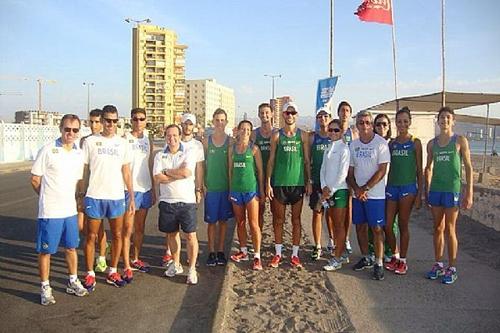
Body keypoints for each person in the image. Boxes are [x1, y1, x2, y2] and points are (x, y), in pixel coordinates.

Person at [31, 114, 88, 305]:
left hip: (70, 211)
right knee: (46, 251)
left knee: (71, 247)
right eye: (67, 129)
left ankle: (73, 280)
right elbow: (35, 179)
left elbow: (79, 182)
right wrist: (47, 196)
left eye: (75, 130)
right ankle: (45, 287)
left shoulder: (78, 153)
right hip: (50, 212)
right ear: (60, 129)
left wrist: (79, 207)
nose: (70, 133)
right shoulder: (48, 150)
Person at [82, 105, 135, 290]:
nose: (111, 124)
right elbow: (84, 170)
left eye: (114, 121)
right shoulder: (90, 141)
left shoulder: (122, 143)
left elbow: (126, 171)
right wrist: (80, 194)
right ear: (102, 121)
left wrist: (131, 195)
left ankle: (113, 270)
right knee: (91, 236)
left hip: (116, 196)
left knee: (117, 235)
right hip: (95, 195)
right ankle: (90, 273)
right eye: (107, 120)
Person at [425, 106, 473, 284]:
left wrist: (469, 192)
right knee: (438, 228)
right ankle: (438, 263)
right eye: (441, 118)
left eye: (447, 117)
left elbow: (468, 167)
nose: (444, 120)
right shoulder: (432, 143)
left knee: (450, 229)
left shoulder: (460, 140)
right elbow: (428, 168)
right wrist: (426, 190)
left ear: (453, 121)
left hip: (452, 190)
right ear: (437, 121)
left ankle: (452, 267)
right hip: (436, 190)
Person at [266, 102, 312, 268]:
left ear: (297, 115)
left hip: (297, 184)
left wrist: (309, 181)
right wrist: (268, 183)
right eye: (287, 113)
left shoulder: (303, 135)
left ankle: (294, 255)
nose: (290, 115)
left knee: (296, 220)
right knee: (278, 220)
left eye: (293, 112)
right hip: (279, 184)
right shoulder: (276, 136)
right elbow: (271, 161)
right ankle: (278, 254)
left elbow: (307, 161)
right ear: (283, 115)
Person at [347, 111, 390, 281]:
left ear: (371, 124)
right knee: (360, 227)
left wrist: (365, 188)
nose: (364, 126)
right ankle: (367, 257)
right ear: (357, 125)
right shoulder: (354, 145)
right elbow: (349, 172)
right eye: (361, 123)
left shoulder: (381, 144)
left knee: (377, 229)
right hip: (358, 194)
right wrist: (357, 189)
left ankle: (379, 263)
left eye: (367, 122)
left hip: (376, 195)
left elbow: (382, 170)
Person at [154, 124, 199, 285]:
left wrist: (167, 171)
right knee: (172, 235)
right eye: (168, 136)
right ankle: (176, 263)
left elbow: (187, 173)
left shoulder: (189, 151)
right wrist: (175, 173)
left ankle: (192, 269)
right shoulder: (160, 155)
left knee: (190, 235)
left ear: (180, 136)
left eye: (174, 135)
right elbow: (158, 177)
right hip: (167, 201)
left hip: (186, 201)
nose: (171, 139)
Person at [162, 113, 205, 266]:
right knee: (171, 229)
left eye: (190, 124)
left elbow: (198, 169)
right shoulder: (171, 142)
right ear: (181, 125)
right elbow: (164, 167)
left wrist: (198, 188)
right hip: (171, 191)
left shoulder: (197, 145)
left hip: (188, 192)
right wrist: (174, 174)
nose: (188, 126)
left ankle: (190, 259)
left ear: (194, 126)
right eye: (185, 124)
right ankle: (170, 253)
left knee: (189, 230)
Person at [384, 107, 423, 275]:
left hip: (408, 189)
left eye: (405, 121)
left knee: (403, 225)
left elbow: (419, 170)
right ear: (395, 123)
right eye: (399, 121)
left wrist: (420, 194)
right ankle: (395, 254)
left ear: (410, 122)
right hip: (392, 187)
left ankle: (403, 261)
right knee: (387, 225)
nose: (402, 124)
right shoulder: (391, 143)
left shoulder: (415, 142)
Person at [121, 108, 156, 283]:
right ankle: (126, 265)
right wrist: (129, 191)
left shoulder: (148, 139)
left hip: (146, 188)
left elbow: (150, 164)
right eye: (135, 119)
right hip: (130, 190)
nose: (138, 122)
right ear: (131, 120)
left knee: (140, 228)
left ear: (145, 120)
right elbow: (124, 167)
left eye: (141, 119)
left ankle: (135, 258)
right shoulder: (125, 139)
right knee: (127, 229)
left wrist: (154, 189)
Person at [229, 120, 265, 270]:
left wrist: (261, 190)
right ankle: (243, 251)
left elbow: (260, 172)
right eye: (243, 129)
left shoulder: (254, 149)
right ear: (238, 131)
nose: (245, 132)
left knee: (254, 224)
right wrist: (230, 190)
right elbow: (229, 171)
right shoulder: (232, 150)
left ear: (251, 132)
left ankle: (257, 256)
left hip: (251, 191)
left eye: (248, 130)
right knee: (240, 222)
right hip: (236, 191)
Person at [77, 109, 109, 274]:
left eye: (97, 122)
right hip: (85, 190)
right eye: (92, 122)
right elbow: (81, 167)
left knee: (98, 228)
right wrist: (79, 191)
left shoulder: (107, 141)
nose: (94, 125)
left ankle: (102, 256)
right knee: (83, 227)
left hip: (101, 191)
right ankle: (100, 246)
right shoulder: (84, 141)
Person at [203, 108, 233, 266]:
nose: (220, 123)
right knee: (211, 223)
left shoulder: (230, 141)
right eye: (217, 120)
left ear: (226, 122)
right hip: (212, 188)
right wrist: (202, 185)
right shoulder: (207, 141)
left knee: (223, 222)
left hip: (225, 188)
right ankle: (211, 252)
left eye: (222, 120)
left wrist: (231, 188)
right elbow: (202, 165)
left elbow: (231, 167)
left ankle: (220, 251)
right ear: (213, 121)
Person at [320, 119, 351, 271]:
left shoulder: (344, 149)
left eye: (336, 130)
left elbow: (342, 174)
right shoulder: (328, 148)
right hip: (328, 192)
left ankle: (337, 258)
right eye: (330, 130)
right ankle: (340, 252)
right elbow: (323, 170)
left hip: (339, 191)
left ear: (341, 132)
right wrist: (323, 187)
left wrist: (330, 190)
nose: (332, 133)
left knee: (339, 225)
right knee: (332, 223)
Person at [371, 113, 398, 262]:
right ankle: (374, 250)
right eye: (378, 124)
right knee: (375, 224)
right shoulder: (371, 143)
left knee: (390, 223)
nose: (381, 127)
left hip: (391, 188)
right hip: (375, 189)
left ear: (389, 127)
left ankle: (390, 251)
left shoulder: (393, 144)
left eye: (384, 124)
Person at [308, 107, 333, 260]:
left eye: (325, 116)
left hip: (331, 184)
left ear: (329, 118)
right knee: (317, 213)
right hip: (317, 182)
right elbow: (308, 161)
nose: (322, 118)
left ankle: (332, 242)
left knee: (331, 215)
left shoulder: (336, 136)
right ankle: (317, 245)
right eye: (319, 116)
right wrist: (309, 181)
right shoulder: (313, 137)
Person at [337, 101, 358, 255]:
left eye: (347, 110)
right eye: (342, 110)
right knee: (335, 209)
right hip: (336, 175)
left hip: (350, 175)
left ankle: (347, 240)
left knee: (349, 208)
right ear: (338, 113)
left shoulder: (355, 132)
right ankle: (334, 239)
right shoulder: (334, 130)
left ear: (350, 114)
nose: (344, 113)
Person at [250, 103, 274, 231]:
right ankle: (258, 235)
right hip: (258, 175)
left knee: (277, 212)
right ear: (259, 114)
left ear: (271, 114)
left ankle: (277, 243)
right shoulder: (254, 134)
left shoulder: (276, 133)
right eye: (262, 113)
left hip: (274, 175)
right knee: (260, 209)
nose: (264, 115)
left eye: (267, 112)